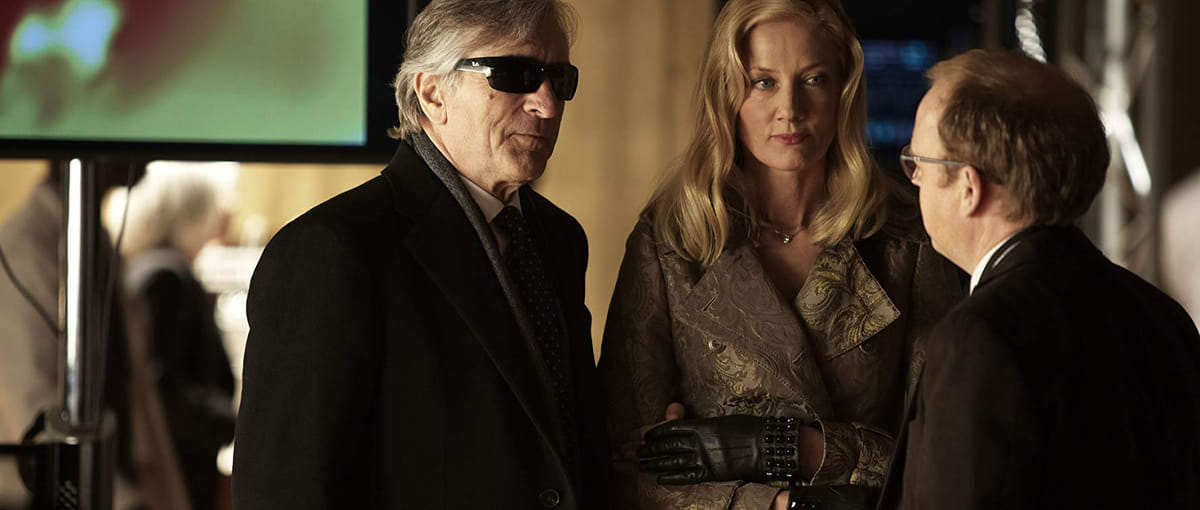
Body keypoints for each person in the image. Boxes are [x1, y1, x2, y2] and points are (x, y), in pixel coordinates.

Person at [231, 1, 610, 509]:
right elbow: (284, 491)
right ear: (432, 94)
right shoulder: (332, 250)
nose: (548, 104)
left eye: (560, 80)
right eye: (514, 75)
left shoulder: (560, 238)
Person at [597, 0, 963, 509]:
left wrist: (787, 447)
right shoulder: (672, 242)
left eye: (813, 79)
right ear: (727, 93)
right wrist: (776, 505)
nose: (790, 108)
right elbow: (622, 467)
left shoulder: (906, 239)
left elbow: (946, 454)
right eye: (763, 82)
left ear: (843, 90)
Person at [879, 49, 1200, 509]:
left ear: (969, 188)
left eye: (918, 164)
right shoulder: (1163, 316)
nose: (914, 181)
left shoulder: (979, 338)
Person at [118, 169, 235, 510]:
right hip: (176, 468)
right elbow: (161, 387)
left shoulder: (142, 266)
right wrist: (234, 422)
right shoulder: (167, 276)